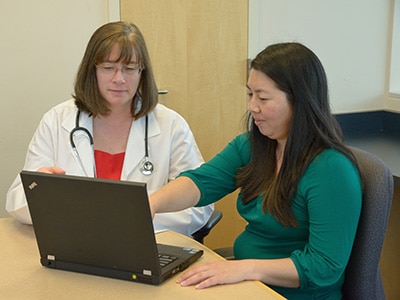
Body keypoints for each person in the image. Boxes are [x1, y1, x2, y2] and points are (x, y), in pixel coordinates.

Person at [149, 42, 362, 299]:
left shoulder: (331, 169)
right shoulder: (252, 147)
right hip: (248, 286)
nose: (252, 106)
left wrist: (245, 269)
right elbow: (201, 183)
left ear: (299, 101)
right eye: (250, 94)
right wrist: (150, 203)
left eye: (263, 97)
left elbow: (324, 267)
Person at [6, 21, 213, 237]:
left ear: (142, 72)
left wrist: (134, 219)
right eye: (108, 68)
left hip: (144, 244)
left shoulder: (171, 125)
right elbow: (17, 199)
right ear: (92, 70)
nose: (119, 79)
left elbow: (200, 206)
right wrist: (41, 190)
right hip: (74, 243)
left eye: (130, 69)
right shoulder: (57, 121)